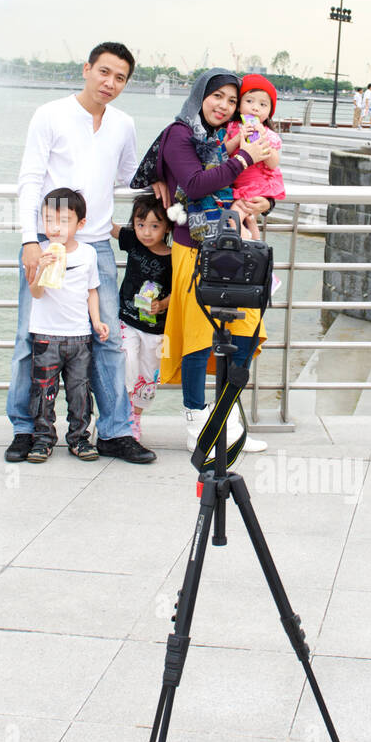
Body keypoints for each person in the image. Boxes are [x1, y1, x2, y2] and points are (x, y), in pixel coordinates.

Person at [6, 42, 155, 464]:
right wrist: (28, 240)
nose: (110, 83)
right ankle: (24, 428)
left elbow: (128, 178)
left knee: (107, 339)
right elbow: (30, 179)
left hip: (95, 246)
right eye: (104, 72)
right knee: (28, 337)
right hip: (47, 243)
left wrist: (162, 186)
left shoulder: (123, 124)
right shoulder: (49, 114)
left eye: (120, 77)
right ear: (87, 69)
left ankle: (113, 432)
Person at [133, 69, 273, 454]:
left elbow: (254, 179)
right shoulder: (180, 133)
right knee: (199, 337)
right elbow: (194, 184)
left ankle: (225, 417)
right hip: (194, 249)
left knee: (243, 331)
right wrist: (244, 157)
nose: (225, 106)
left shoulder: (221, 137)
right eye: (218, 96)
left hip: (234, 246)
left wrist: (267, 200)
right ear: (200, 95)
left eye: (232, 100)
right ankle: (197, 421)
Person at [26, 188, 109, 462]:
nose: (56, 227)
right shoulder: (41, 252)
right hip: (46, 335)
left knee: (80, 391)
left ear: (80, 224)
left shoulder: (87, 254)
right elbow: (36, 293)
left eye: (64, 220)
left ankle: (79, 439)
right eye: (49, 220)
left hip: (79, 336)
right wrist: (41, 268)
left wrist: (96, 321)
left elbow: (92, 291)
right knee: (43, 390)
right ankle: (43, 439)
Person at [109, 191, 173, 443]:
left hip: (157, 329)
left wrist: (163, 305)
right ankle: (123, 417)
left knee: (147, 375)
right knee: (127, 363)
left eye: (154, 226)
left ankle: (136, 417)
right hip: (127, 320)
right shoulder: (132, 241)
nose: (146, 232)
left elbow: (179, 292)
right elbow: (110, 227)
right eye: (140, 224)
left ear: (166, 226)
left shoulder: (174, 255)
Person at [223, 73, 285, 240]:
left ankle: (247, 241)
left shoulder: (269, 135)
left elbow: (273, 164)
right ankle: (255, 241)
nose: (255, 108)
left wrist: (263, 138)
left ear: (269, 112)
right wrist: (237, 138)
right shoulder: (231, 127)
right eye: (249, 101)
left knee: (233, 215)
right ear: (238, 105)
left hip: (256, 184)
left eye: (262, 104)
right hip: (239, 183)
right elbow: (224, 152)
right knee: (249, 217)